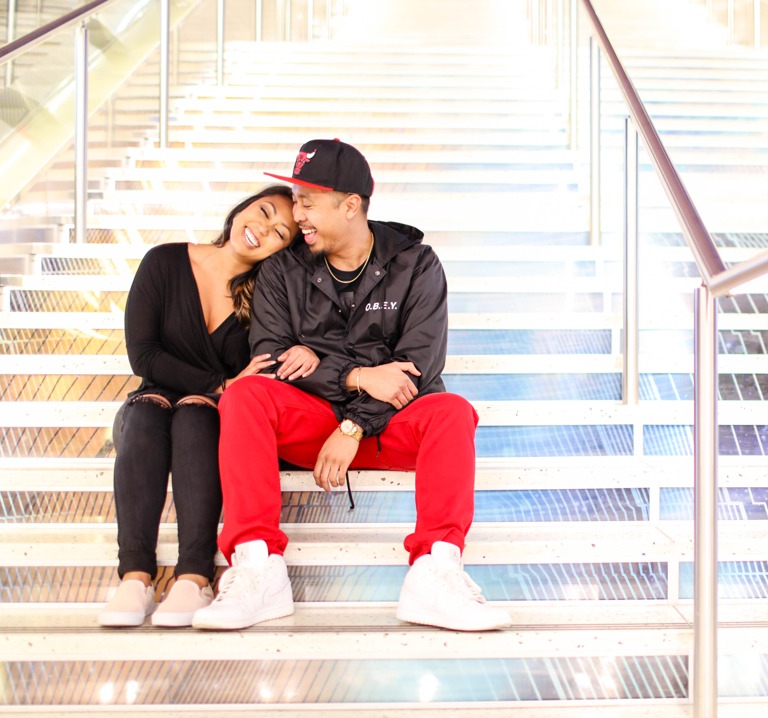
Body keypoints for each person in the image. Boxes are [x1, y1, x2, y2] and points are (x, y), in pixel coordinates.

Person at [191, 138, 511, 633]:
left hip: (388, 427)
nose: (297, 215)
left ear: (350, 205)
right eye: (295, 201)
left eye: (308, 202)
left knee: (451, 411)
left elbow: (418, 366)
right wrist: (357, 376)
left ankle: (436, 573)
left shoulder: (416, 263)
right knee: (245, 394)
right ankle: (256, 569)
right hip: (312, 423)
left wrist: (354, 424)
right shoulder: (283, 269)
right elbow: (271, 359)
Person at [98, 186, 312, 627]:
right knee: (147, 410)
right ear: (241, 209)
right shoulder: (165, 261)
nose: (262, 230)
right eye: (262, 213)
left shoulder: (266, 298)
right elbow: (144, 356)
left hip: (213, 418)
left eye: (279, 232)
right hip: (152, 409)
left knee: (196, 414)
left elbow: (265, 368)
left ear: (283, 249)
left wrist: (220, 392)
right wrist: (220, 382)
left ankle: (193, 577)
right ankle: (134, 577)